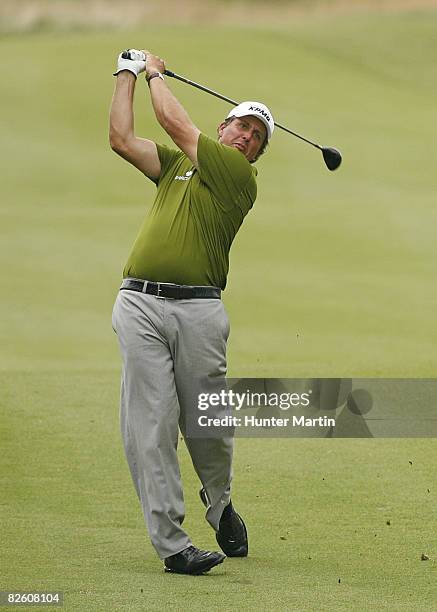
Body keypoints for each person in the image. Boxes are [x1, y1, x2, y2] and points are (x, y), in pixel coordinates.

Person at [109, 49, 274, 575]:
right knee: (151, 424)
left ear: (254, 154)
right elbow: (121, 140)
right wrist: (127, 74)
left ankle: (219, 501)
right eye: (242, 126)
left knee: (207, 423)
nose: (247, 137)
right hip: (138, 304)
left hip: (199, 313)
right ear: (224, 126)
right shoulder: (177, 165)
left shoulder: (236, 176)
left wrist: (156, 72)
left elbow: (176, 123)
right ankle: (173, 545)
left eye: (257, 136)